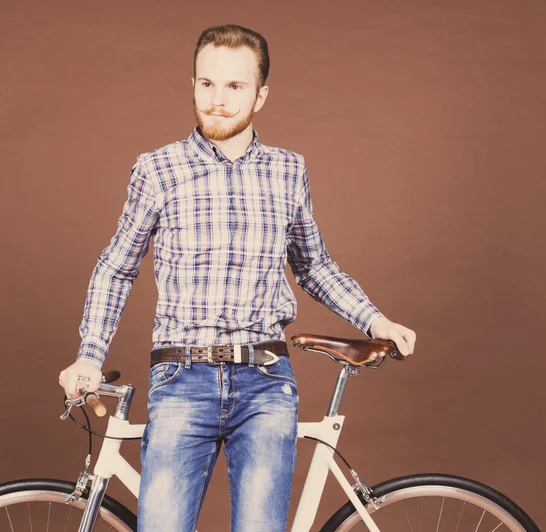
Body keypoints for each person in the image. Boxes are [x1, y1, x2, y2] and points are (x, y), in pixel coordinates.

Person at [58, 23, 416, 532]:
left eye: (235, 86)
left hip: (266, 382)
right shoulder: (157, 169)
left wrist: (374, 319)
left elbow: (313, 265)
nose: (218, 100)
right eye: (207, 84)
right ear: (193, 84)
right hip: (181, 379)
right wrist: (89, 355)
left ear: (261, 95)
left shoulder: (288, 171)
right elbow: (117, 267)